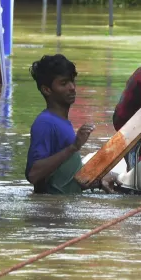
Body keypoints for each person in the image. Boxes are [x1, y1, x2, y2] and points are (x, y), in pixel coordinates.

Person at [25, 54, 115, 194]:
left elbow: (63, 177)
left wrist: (97, 181)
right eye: (64, 83)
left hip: (63, 207)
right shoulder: (45, 123)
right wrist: (73, 147)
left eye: (72, 81)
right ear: (46, 90)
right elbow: (33, 174)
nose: (72, 87)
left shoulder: (61, 122)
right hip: (51, 210)